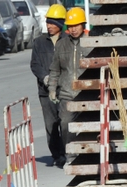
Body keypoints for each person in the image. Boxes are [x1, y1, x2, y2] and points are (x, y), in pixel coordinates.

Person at [48, 7, 86, 166]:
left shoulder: (91, 44)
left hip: (86, 95)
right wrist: (52, 88)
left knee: (88, 127)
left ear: (83, 25)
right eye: (70, 26)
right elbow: (55, 69)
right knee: (65, 125)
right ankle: (70, 155)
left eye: (76, 25)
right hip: (67, 94)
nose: (73, 29)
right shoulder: (61, 45)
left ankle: (87, 155)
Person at [30, 4, 66, 168]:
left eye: (52, 23)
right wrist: (45, 78)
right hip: (46, 92)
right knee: (51, 125)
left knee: (65, 123)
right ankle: (57, 155)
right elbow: (35, 64)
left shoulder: (67, 41)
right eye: (48, 23)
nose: (49, 26)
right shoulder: (39, 42)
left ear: (60, 24)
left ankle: (67, 152)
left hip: (65, 91)